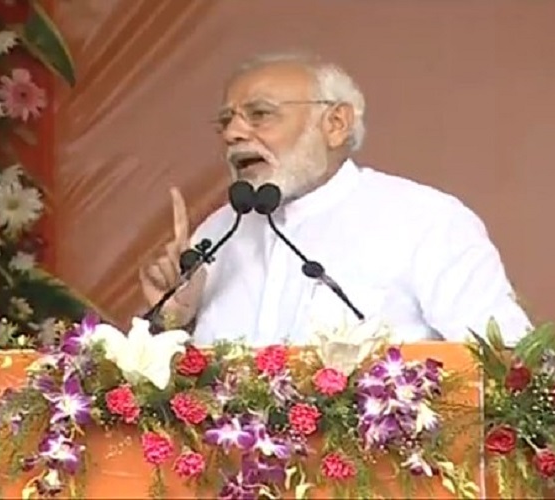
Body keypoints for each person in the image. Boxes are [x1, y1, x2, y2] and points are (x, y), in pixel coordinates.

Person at [139, 52, 532, 347]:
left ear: (335, 124)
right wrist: (174, 321)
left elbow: (504, 366)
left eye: (259, 114)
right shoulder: (218, 233)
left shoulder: (426, 221)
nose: (233, 134)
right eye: (226, 121)